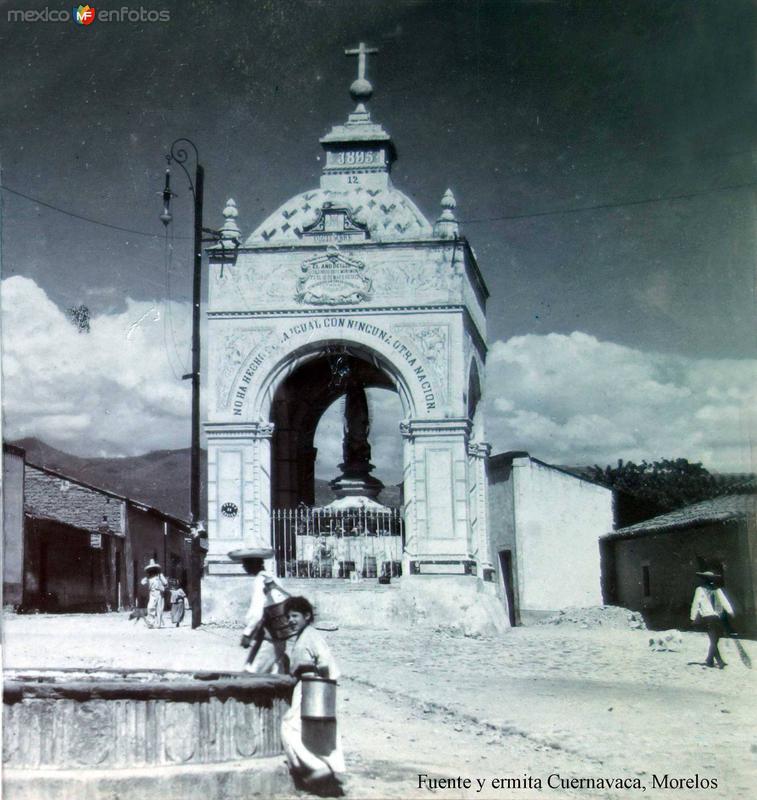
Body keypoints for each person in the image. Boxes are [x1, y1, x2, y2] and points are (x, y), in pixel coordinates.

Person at [281, 595, 345, 794]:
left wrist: (303, 666)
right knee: (313, 731)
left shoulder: (311, 636)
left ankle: (316, 767)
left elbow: (326, 664)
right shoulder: (304, 635)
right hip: (307, 687)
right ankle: (326, 769)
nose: (291, 620)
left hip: (310, 688)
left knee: (289, 727)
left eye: (295, 616)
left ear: (307, 616)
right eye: (289, 617)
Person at [228, 547, 290, 673]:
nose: (244, 567)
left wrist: (247, 633)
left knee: (256, 673)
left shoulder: (260, 581)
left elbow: (257, 611)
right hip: (278, 632)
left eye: (246, 563)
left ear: (255, 563)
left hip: (271, 635)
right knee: (275, 670)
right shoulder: (272, 578)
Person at [690, 570, 735, 668]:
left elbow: (724, 601)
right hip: (707, 617)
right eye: (707, 579)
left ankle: (710, 659)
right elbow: (696, 603)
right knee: (713, 639)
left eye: (711, 579)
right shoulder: (700, 590)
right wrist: (693, 617)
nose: (709, 581)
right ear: (704, 580)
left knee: (715, 639)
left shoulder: (717, 590)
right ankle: (720, 661)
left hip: (717, 617)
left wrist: (730, 611)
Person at [140, 559, 168, 629]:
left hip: (159, 593)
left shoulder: (159, 575)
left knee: (159, 608)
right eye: (151, 568)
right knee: (150, 607)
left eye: (153, 568)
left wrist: (163, 585)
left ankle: (158, 624)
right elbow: (142, 582)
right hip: (152, 593)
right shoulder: (149, 577)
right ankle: (151, 623)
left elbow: (165, 582)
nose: (152, 570)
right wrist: (146, 579)